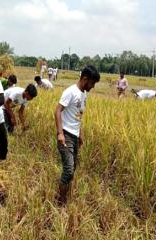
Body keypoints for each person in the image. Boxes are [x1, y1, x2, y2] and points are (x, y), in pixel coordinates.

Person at [54, 65, 100, 205]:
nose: (92, 86)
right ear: (85, 79)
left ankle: (63, 194)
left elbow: (79, 115)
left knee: (73, 168)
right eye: (92, 83)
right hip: (66, 135)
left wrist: (80, 134)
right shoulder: (71, 92)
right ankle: (60, 202)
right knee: (68, 170)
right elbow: (57, 111)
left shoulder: (83, 94)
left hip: (74, 135)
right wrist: (60, 134)